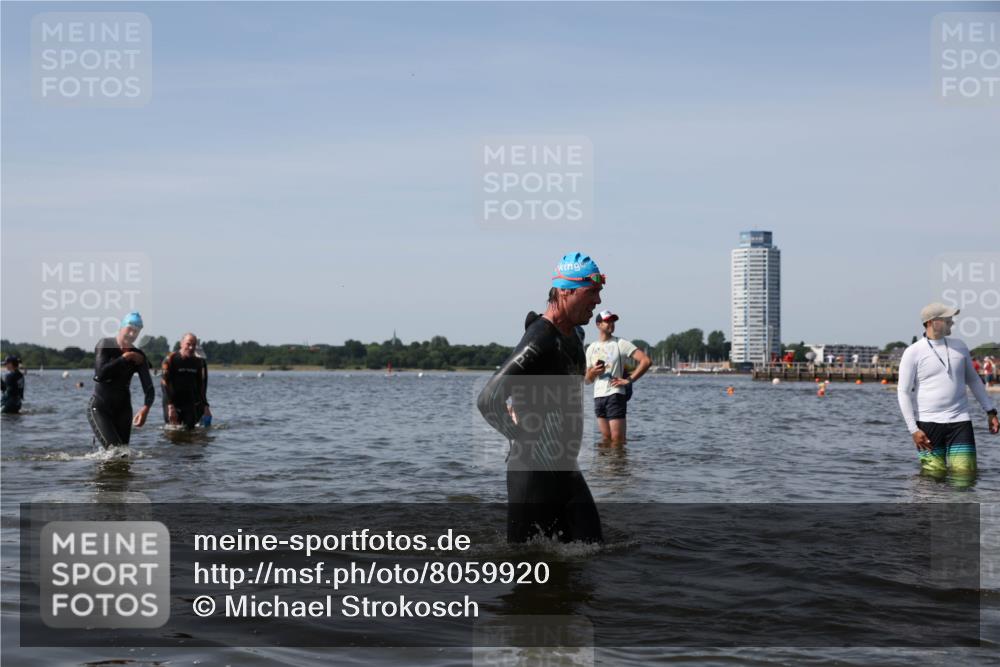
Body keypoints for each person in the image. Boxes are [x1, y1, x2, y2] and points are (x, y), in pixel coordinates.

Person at [477, 252, 605, 544]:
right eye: (591, 292)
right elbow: (489, 399)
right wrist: (517, 436)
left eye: (599, 292)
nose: (597, 301)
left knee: (593, 553)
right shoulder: (540, 338)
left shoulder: (576, 335)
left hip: (566, 470)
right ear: (565, 291)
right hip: (533, 473)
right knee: (526, 567)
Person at [896, 303, 999, 476]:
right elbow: (903, 392)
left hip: (960, 422)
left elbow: (973, 380)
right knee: (932, 479)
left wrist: (990, 411)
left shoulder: (960, 346)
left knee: (965, 476)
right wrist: (913, 429)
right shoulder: (913, 352)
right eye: (947, 319)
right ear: (931, 322)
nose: (951, 322)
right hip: (928, 424)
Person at [88, 312, 155, 448]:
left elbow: (149, 388)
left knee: (123, 454)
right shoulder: (105, 344)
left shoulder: (139, 355)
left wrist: (145, 409)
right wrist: (125, 358)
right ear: (121, 327)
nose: (132, 334)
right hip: (100, 407)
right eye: (129, 329)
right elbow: (100, 375)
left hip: (123, 410)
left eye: (136, 332)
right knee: (115, 450)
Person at [584, 310, 651, 445]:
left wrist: (629, 380)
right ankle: (604, 466)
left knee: (618, 441)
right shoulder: (591, 348)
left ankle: (619, 466)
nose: (611, 324)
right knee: (606, 440)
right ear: (598, 324)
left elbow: (646, 361)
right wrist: (593, 373)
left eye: (613, 321)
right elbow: (587, 380)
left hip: (615, 395)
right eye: (608, 321)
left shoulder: (620, 343)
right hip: (598, 397)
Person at [161, 333, 211, 429]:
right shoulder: (170, 359)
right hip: (172, 401)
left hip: (189, 402)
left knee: (190, 431)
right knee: (172, 432)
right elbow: (165, 384)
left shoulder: (198, 362)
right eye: (188, 344)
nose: (191, 347)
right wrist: (170, 406)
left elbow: (201, 387)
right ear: (181, 344)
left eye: (194, 345)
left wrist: (205, 406)